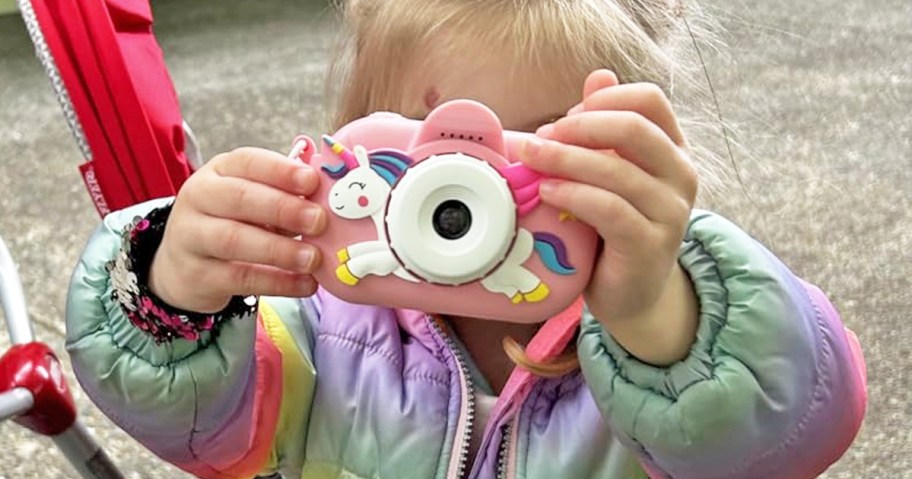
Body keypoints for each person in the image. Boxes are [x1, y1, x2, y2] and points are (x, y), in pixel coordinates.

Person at [65, 1, 867, 478]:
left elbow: (792, 434)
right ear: (355, 135)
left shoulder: (662, 329)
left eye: (539, 151)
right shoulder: (310, 328)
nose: (474, 206)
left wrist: (661, 318)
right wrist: (174, 288)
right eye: (432, 160)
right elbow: (195, 424)